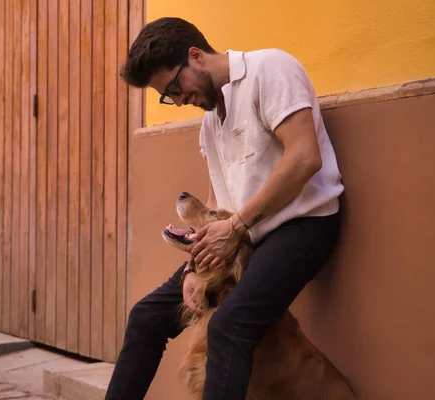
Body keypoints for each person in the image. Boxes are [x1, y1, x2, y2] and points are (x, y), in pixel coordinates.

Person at [105, 17, 345, 400]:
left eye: (173, 88)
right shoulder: (209, 124)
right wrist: (193, 266)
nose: (178, 101)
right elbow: (220, 201)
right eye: (167, 98)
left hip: (303, 224)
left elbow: (304, 158)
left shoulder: (271, 69)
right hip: (245, 234)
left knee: (229, 328)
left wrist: (235, 229)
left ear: (196, 56)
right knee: (146, 317)